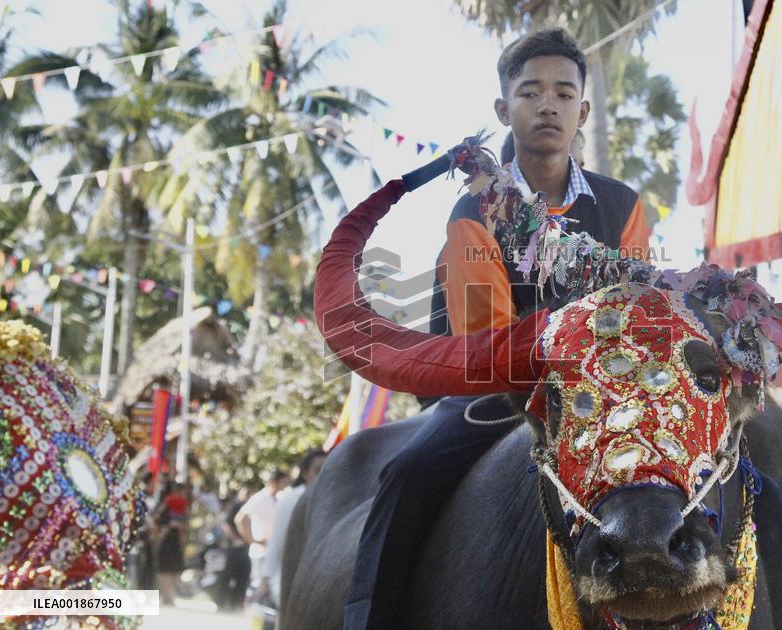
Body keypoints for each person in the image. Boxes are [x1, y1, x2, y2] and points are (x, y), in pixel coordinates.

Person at [345, 28, 651, 630]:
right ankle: (368, 617)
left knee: (735, 474)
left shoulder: (622, 206)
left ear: (582, 110)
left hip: (600, 395)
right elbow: (490, 341)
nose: (547, 105)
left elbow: (635, 314)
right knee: (409, 472)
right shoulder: (476, 210)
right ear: (502, 108)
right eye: (530, 91)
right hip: (489, 393)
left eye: (564, 94)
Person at [258, 449, 327, 609]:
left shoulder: (332, 501)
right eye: (318, 471)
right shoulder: (292, 499)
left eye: (328, 471)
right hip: (287, 583)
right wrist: (265, 580)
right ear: (305, 473)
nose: (324, 476)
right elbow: (276, 542)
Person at [235, 470, 290, 589]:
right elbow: (240, 518)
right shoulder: (259, 497)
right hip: (260, 550)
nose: (285, 485)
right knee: (257, 584)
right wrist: (252, 540)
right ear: (274, 482)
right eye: (283, 482)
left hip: (276, 549)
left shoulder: (283, 498)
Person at [153, 481, 190, 605]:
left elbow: (185, 524)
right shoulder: (168, 503)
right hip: (166, 539)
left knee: (174, 570)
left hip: (176, 541)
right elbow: (158, 519)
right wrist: (170, 525)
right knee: (165, 569)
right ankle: (166, 595)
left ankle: (168, 594)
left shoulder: (183, 506)